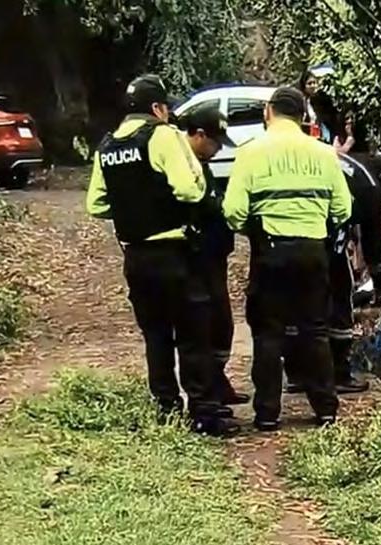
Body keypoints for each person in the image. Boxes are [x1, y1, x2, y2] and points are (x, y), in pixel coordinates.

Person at [86, 74, 236, 436]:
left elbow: (96, 204)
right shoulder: (163, 135)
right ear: (157, 108)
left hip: (136, 258)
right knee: (193, 335)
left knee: (156, 337)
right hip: (174, 253)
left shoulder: (107, 145)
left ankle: (167, 409)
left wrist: (132, 210)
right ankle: (204, 414)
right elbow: (188, 191)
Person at [223, 86, 352, 431]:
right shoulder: (324, 153)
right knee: (315, 330)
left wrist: (254, 228)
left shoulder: (250, 153)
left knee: (268, 332)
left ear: (268, 112)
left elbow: (233, 212)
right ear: (302, 116)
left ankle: (267, 413)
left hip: (270, 250)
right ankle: (326, 409)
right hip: (313, 250)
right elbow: (343, 209)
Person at [286, 148, 381, 394]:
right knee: (339, 300)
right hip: (325, 237)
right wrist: (379, 284)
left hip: (289, 237)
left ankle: (297, 374)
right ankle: (338, 373)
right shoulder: (371, 188)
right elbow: (373, 240)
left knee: (296, 302)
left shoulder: (318, 159)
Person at [176, 101, 251, 408]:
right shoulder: (181, 166)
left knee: (221, 324)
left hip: (214, 256)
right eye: (215, 142)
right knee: (203, 326)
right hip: (195, 259)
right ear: (199, 135)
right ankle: (207, 392)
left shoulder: (201, 165)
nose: (219, 149)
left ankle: (217, 382)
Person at [298, 68, 343, 144]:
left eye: (314, 83)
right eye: (309, 83)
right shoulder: (300, 102)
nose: (313, 86)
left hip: (322, 136)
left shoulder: (321, 100)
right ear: (304, 87)